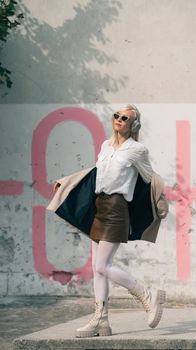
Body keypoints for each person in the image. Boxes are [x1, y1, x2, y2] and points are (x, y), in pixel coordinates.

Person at [47, 104, 168, 338]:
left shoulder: (137, 150)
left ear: (133, 124)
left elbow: (150, 177)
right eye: (117, 116)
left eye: (125, 118)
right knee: (97, 269)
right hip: (99, 206)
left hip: (117, 208)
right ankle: (101, 321)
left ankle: (148, 296)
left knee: (103, 265)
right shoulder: (106, 145)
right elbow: (96, 172)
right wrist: (67, 180)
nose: (119, 120)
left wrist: (161, 200)